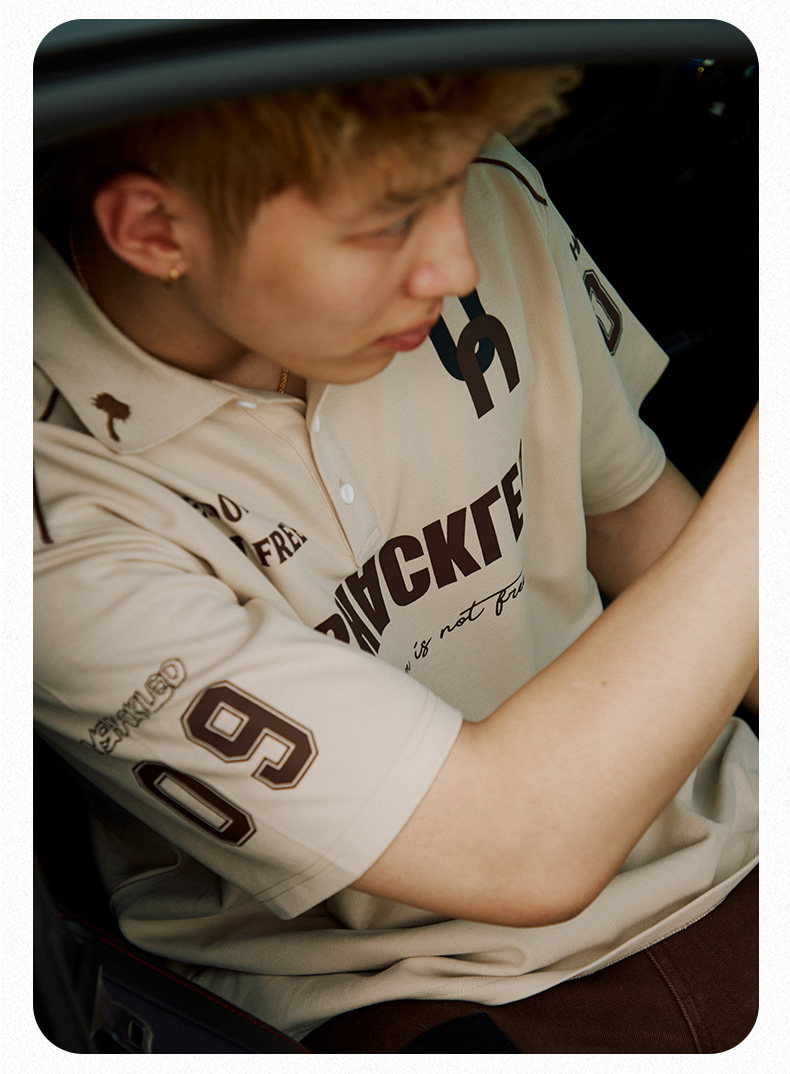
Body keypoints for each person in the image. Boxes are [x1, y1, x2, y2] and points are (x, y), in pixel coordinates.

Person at [34, 65, 758, 1053]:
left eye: (457, 176)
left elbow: (633, 517)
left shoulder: (492, 200)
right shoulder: (48, 508)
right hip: (411, 994)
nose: (457, 265)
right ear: (156, 231)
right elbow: (517, 848)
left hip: (737, 835)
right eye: (387, 223)